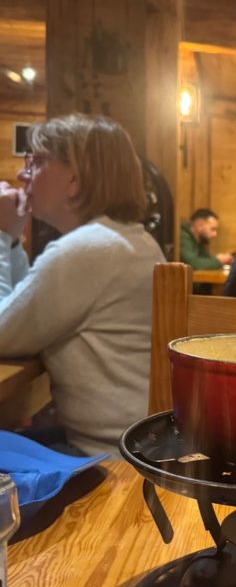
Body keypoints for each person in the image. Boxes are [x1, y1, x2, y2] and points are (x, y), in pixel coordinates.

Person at [0, 113, 166, 456]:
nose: (22, 173)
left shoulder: (87, 250)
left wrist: (1, 235)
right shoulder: (125, 240)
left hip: (110, 461)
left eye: (36, 161)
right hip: (142, 450)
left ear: (74, 178)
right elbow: (23, 310)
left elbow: (3, 332)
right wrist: (12, 241)